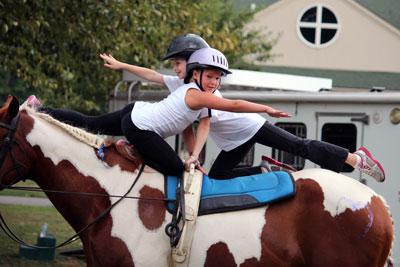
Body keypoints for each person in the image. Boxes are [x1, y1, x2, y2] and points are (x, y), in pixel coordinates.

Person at [97, 34, 386, 182]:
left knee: (299, 146)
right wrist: (121, 65)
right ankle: (264, 170)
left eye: (179, 62)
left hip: (250, 126)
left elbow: (230, 108)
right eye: (174, 64)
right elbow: (152, 77)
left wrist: (267, 110)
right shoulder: (180, 86)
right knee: (219, 176)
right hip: (232, 139)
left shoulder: (201, 90)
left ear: (194, 65)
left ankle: (356, 158)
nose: (174, 67)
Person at [26, 47, 289, 179]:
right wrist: (265, 108)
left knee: (89, 122)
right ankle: (126, 147)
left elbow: (195, 128)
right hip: (140, 127)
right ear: (196, 73)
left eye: (178, 64)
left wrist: (195, 156)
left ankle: (37, 108)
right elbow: (232, 106)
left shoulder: (192, 90)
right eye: (210, 77)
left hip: (135, 113)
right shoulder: (193, 91)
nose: (175, 70)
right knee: (178, 172)